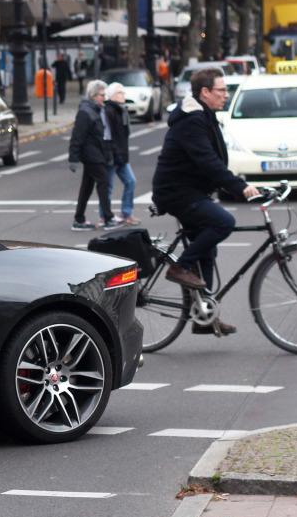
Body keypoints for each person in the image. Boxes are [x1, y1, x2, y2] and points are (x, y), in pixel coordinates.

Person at [152, 67, 259, 335]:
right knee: (224, 222)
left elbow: (214, 159)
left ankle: (203, 316)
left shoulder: (205, 115)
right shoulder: (192, 120)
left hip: (191, 190)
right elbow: (207, 161)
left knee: (207, 251)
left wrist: (237, 184)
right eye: (221, 90)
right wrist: (239, 187)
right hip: (176, 192)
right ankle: (180, 267)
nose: (226, 95)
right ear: (205, 92)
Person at [68, 79, 120, 231]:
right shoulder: (86, 112)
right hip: (91, 155)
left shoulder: (97, 109)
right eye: (101, 95)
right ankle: (108, 218)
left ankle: (79, 219)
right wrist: (73, 158)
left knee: (87, 187)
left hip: (97, 153)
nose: (104, 97)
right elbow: (77, 136)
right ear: (93, 96)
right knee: (103, 182)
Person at [101, 83, 139, 226]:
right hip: (112, 156)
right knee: (107, 186)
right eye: (119, 93)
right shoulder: (109, 111)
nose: (123, 95)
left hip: (121, 155)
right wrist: (117, 153)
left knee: (131, 181)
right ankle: (104, 215)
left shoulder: (121, 110)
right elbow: (110, 135)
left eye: (123, 92)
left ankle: (126, 213)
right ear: (111, 96)